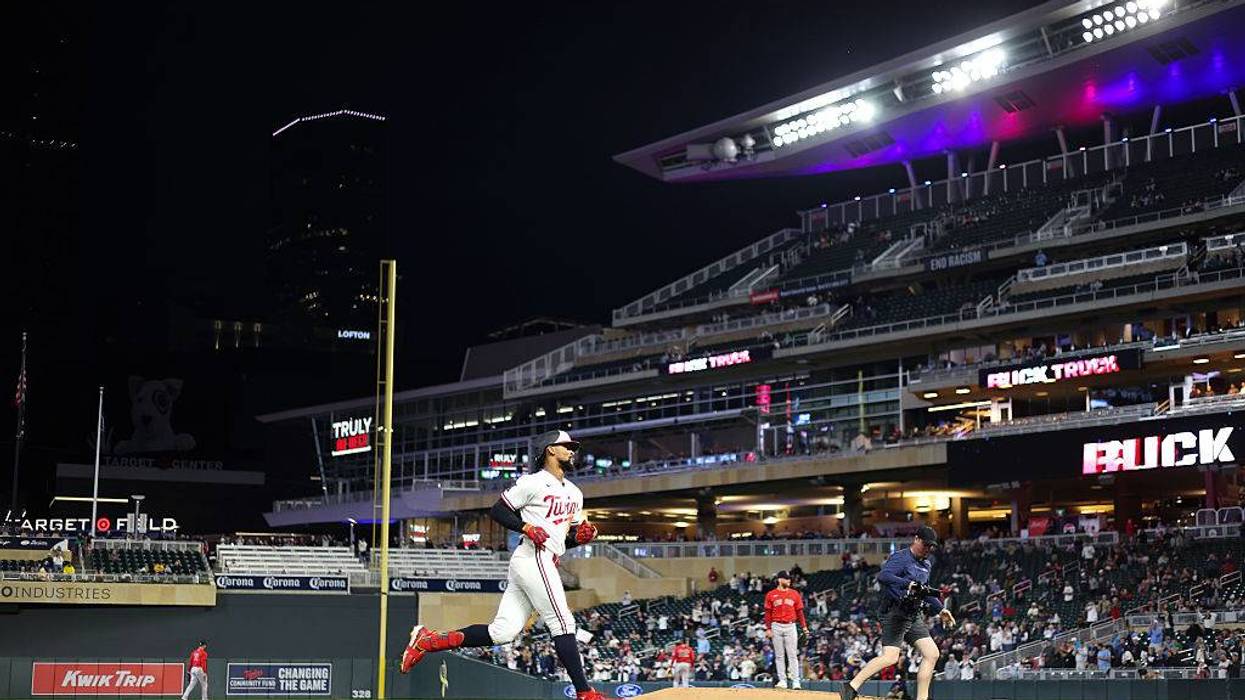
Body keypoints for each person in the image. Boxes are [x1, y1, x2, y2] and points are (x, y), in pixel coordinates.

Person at [399, 431, 606, 700]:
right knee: (562, 622)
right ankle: (584, 693)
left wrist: (579, 537)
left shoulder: (575, 493)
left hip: (543, 559)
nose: (571, 451)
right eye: (566, 446)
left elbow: (562, 538)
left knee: (502, 632)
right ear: (550, 450)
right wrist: (525, 526)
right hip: (534, 557)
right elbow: (497, 510)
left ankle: (429, 640)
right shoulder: (532, 482)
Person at [842, 527, 954, 700]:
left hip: (912, 614)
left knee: (932, 654)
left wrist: (941, 609)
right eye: (925, 544)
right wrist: (907, 583)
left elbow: (923, 591)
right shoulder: (901, 557)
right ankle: (851, 687)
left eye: (930, 546)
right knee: (890, 657)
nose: (927, 549)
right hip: (894, 612)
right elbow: (883, 576)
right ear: (916, 539)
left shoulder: (926, 564)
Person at [765, 570, 809, 689]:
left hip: (790, 625)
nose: (789, 580)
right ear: (780, 580)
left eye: (789, 579)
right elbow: (768, 613)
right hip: (776, 626)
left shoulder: (795, 594)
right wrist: (768, 628)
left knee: (792, 654)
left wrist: (804, 627)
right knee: (779, 656)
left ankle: (796, 681)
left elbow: (800, 612)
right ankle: (782, 681)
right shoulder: (771, 594)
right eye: (786, 578)